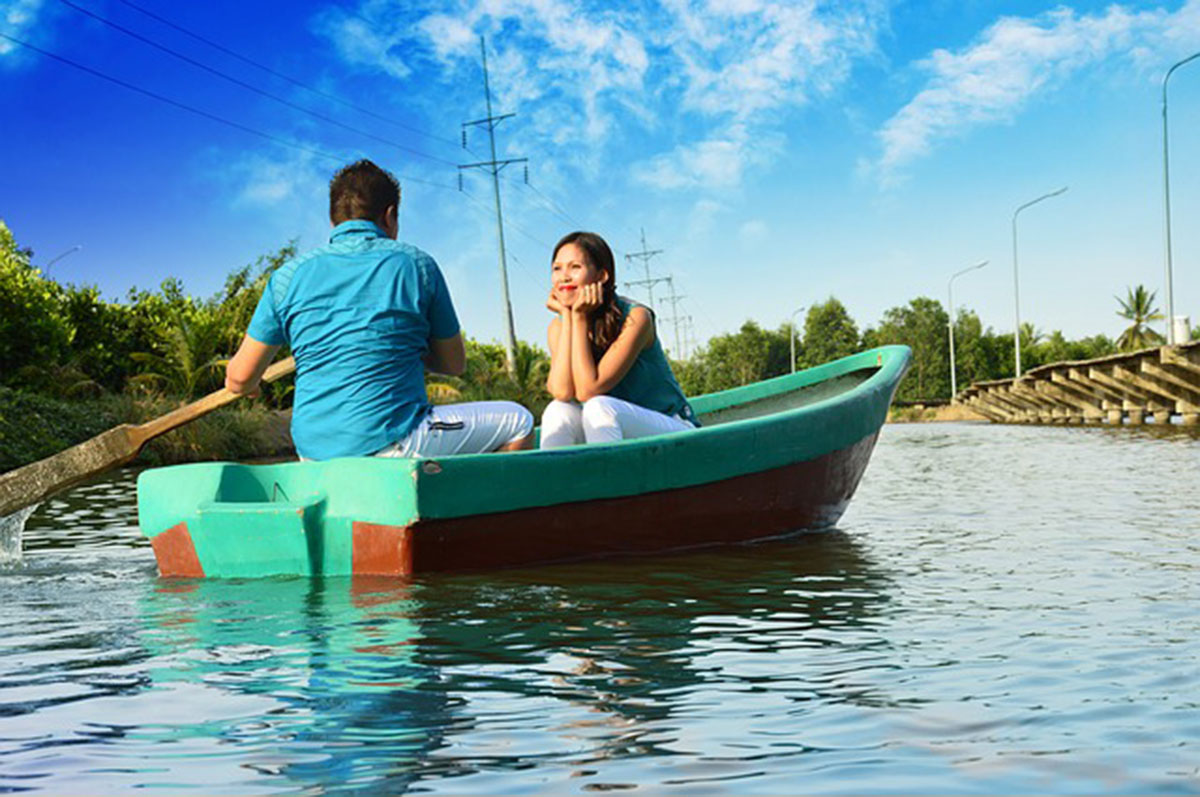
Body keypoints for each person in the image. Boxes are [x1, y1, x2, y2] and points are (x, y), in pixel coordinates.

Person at [225, 159, 533, 460]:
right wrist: (399, 347)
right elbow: (454, 364)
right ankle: (472, 511)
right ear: (390, 216)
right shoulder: (416, 264)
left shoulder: (287, 277)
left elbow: (239, 378)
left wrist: (249, 385)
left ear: (333, 221)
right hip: (397, 440)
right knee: (518, 421)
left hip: (313, 453)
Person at [540, 231, 698, 448]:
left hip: (672, 426)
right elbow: (561, 391)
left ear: (602, 276)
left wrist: (578, 317)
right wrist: (569, 317)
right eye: (557, 268)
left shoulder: (636, 317)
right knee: (557, 411)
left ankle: (611, 482)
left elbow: (588, 390)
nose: (564, 277)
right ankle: (555, 482)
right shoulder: (558, 326)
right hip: (614, 429)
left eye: (575, 267)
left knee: (598, 407)